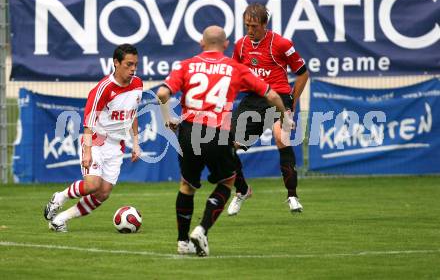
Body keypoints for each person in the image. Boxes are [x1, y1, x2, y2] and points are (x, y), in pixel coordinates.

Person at [156, 25, 289, 256]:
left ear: (201, 43)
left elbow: (162, 94)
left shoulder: (185, 66)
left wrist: (169, 119)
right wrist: (285, 117)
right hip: (216, 133)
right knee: (227, 182)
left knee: (187, 186)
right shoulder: (236, 68)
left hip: (188, 133)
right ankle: (202, 229)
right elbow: (273, 95)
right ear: (226, 45)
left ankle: (182, 242)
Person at [43, 44, 143, 232]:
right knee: (92, 185)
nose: (133, 69)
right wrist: (87, 151)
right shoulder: (103, 89)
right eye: (129, 64)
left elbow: (133, 114)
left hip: (116, 146)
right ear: (116, 63)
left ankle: (60, 220)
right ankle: (60, 197)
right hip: (96, 141)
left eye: (135, 65)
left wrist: (136, 143)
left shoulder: (137, 84)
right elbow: (88, 122)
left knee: (103, 193)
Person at [227, 3, 309, 216]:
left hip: (278, 98)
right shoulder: (240, 45)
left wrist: (292, 100)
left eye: (254, 26)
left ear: (265, 24)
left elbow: (303, 73)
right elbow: (235, 75)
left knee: (281, 136)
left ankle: (292, 195)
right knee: (227, 147)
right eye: (247, 26)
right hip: (253, 99)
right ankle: (242, 191)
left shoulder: (281, 43)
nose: (250, 30)